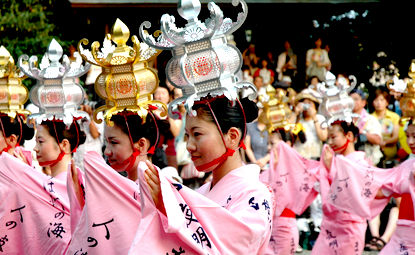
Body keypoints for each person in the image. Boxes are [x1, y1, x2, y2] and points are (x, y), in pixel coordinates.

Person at [130, 1, 272, 253]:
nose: (190, 145)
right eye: (186, 135)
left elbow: (232, 247)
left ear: (232, 136)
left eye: (197, 134)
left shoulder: (254, 194)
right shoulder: (203, 191)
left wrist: (171, 208)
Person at [350, 88, 383, 166]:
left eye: (356, 99)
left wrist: (362, 133)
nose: (352, 102)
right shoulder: (345, 120)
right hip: (351, 162)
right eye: (350, 99)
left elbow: (377, 140)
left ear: (363, 103)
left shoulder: (371, 119)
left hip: (370, 162)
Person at [371, 87, 400, 168]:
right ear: (372, 102)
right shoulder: (369, 118)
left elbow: (395, 137)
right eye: (376, 100)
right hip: (374, 158)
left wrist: (384, 142)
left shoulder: (394, 117)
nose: (379, 103)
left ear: (387, 102)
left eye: (382, 100)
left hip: (391, 158)